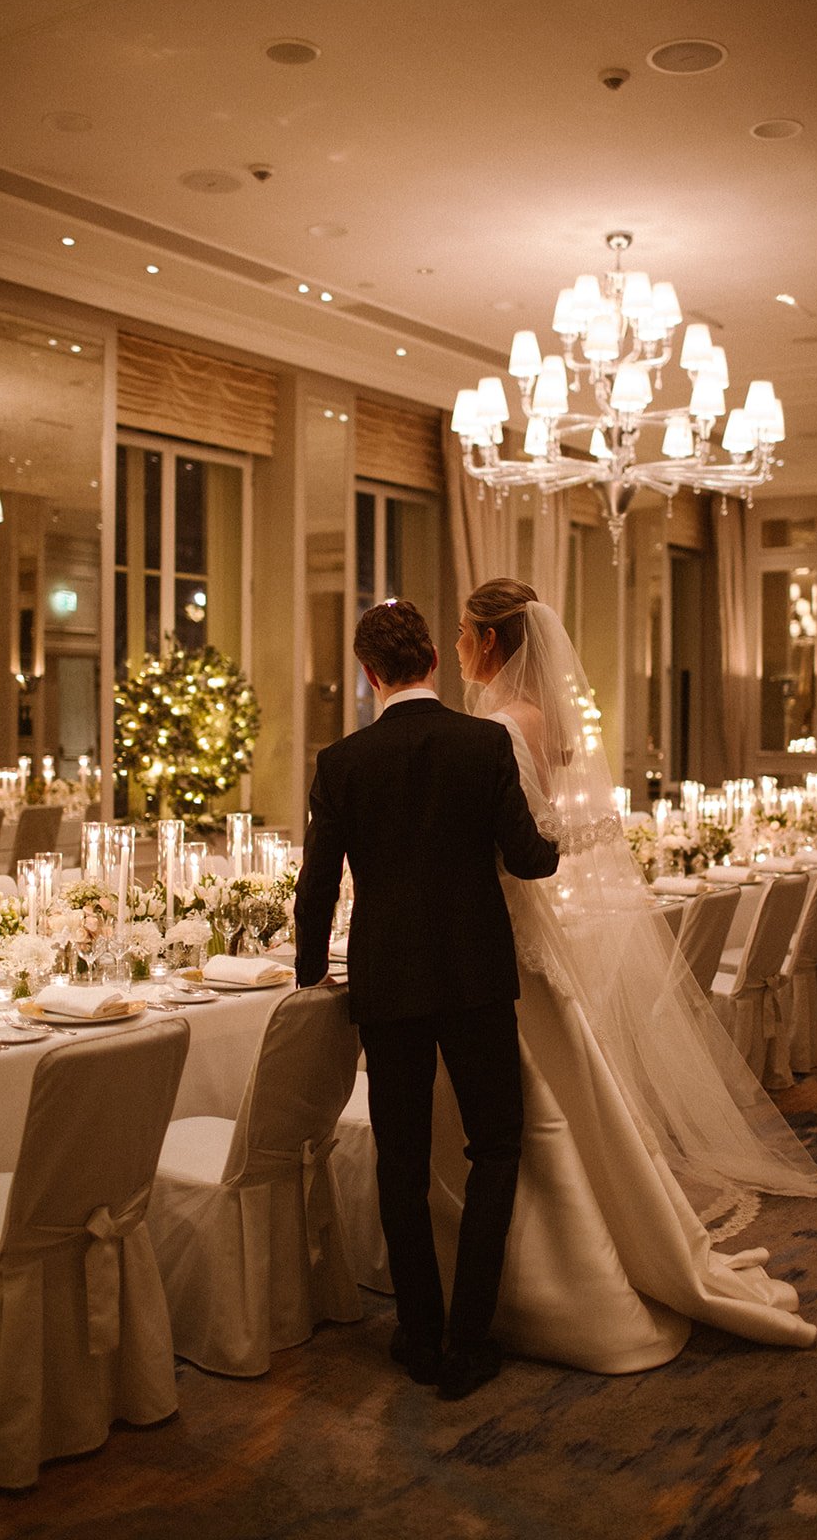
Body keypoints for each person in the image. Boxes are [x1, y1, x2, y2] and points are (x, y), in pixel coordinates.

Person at [423, 576, 817, 1370]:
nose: (455, 644)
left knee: (523, 1105)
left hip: (496, 932)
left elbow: (516, 843)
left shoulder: (500, 727)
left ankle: (548, 1279)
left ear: (490, 642)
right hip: (521, 926)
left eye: (462, 630)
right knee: (559, 1094)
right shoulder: (541, 722)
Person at [294, 599, 559, 1399]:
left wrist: (310, 976)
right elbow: (529, 861)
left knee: (400, 1163)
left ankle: (417, 1331)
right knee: (497, 1148)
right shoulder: (481, 743)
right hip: (476, 975)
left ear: (368, 673)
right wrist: (560, 838)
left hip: (389, 981)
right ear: (432, 666)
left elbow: (316, 887)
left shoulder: (341, 761)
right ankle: (469, 1339)